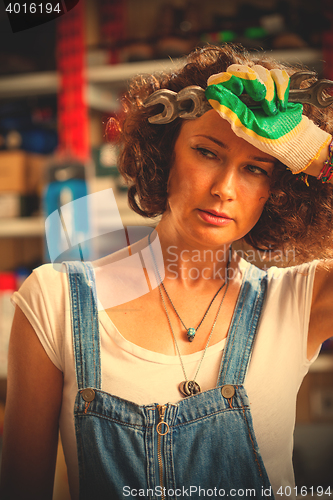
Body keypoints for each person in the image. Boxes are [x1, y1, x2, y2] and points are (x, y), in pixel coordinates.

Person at [1, 44, 333, 500]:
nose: (223, 190)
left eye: (255, 168)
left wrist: (318, 153)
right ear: (165, 154)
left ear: (274, 190)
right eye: (207, 152)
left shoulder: (297, 301)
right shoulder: (55, 300)